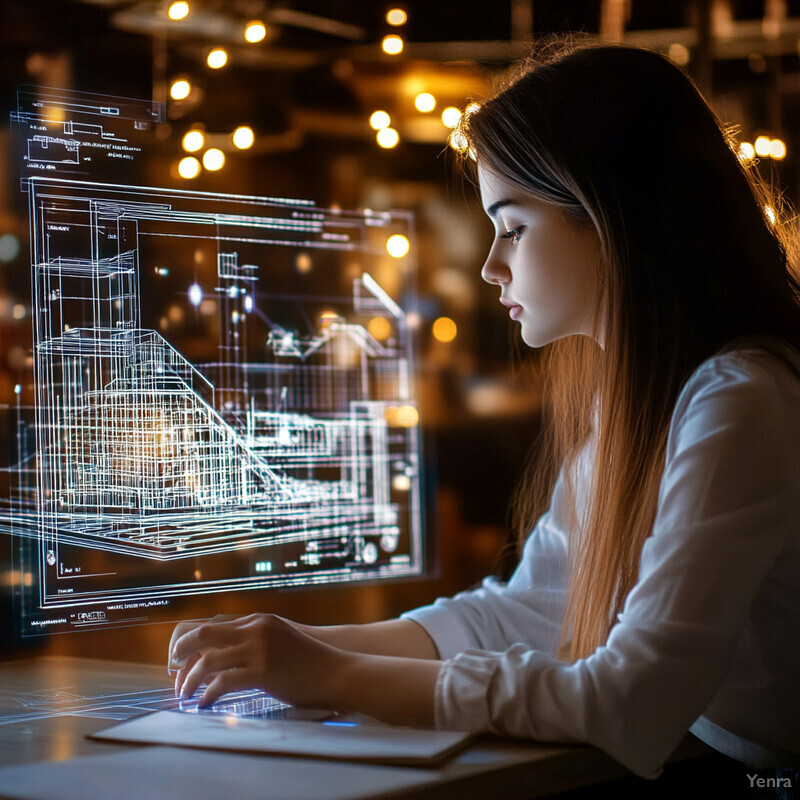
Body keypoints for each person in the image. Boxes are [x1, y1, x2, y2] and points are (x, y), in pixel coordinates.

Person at [168, 43, 800, 788]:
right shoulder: (643, 396)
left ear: (612, 216)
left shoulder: (740, 399)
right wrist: (292, 645)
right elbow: (529, 612)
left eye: (514, 225)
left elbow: (629, 701)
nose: (489, 264)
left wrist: (334, 676)